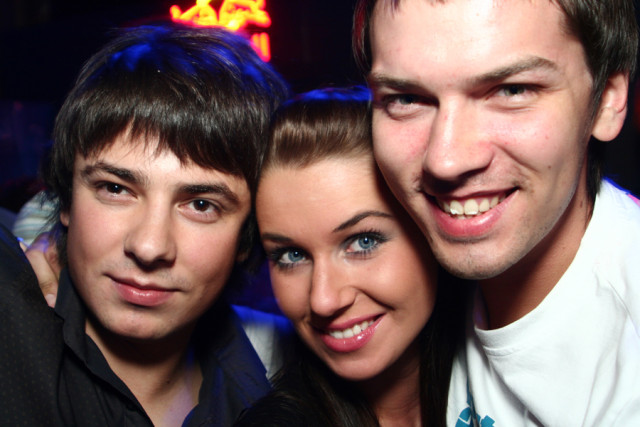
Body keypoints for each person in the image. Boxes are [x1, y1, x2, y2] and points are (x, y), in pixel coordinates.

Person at [353, 0, 640, 425]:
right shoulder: (418, 277)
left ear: (607, 101)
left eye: (512, 90)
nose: (446, 160)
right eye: (406, 98)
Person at [0, 23, 291, 426]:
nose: (149, 246)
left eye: (201, 205)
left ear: (246, 237)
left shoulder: (276, 391)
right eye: (115, 189)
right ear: (67, 199)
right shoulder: (12, 323)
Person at [235, 87, 465, 426]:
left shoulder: (500, 378)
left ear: (430, 228)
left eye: (363, 242)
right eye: (292, 255)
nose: (323, 301)